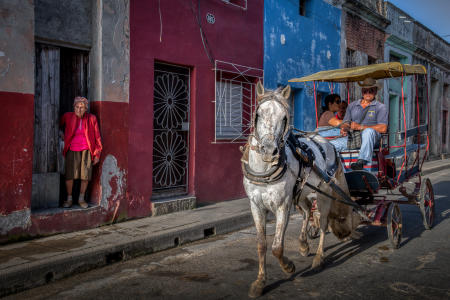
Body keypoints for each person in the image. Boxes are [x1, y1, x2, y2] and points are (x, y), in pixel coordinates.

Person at [330, 78, 388, 170]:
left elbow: (383, 128)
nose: (368, 93)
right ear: (362, 91)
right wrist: (344, 129)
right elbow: (346, 123)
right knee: (330, 145)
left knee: (368, 132)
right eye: (365, 90)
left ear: (375, 91)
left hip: (372, 140)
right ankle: (341, 172)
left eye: (371, 90)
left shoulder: (380, 107)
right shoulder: (352, 105)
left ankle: (361, 161)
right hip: (354, 139)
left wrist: (360, 127)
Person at [60, 96, 102, 208]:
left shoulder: (92, 118)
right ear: (74, 107)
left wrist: (97, 153)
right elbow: (57, 125)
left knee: (85, 175)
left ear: (86, 109)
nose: (79, 109)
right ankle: (69, 199)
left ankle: (81, 199)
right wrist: (61, 133)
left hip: (87, 150)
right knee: (70, 175)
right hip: (72, 149)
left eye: (82, 107)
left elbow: (97, 137)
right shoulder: (67, 116)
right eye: (77, 107)